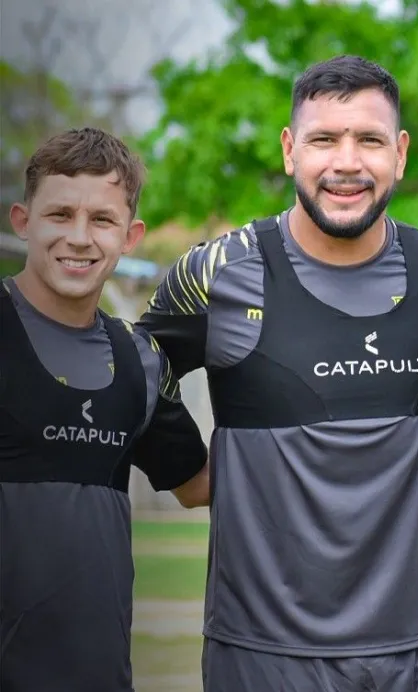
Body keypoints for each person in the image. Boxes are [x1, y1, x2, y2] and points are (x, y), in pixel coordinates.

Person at [136, 55, 418, 691]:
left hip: (413, 651)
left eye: (370, 140)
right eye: (324, 139)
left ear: (401, 153)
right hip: (260, 653)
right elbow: (128, 371)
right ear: (289, 150)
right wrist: (189, 474)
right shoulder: (220, 273)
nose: (347, 162)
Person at [0, 127, 210, 691]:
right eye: (59, 214)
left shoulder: (138, 360)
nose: (79, 237)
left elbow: (198, 485)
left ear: (130, 235)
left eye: (101, 220)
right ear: (23, 221)